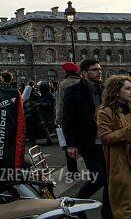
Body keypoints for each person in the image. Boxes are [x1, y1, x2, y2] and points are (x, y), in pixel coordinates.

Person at [63, 59, 112, 218]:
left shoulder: (104, 89)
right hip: (88, 141)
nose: (99, 72)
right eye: (94, 69)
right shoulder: (74, 91)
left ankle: (107, 213)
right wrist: (71, 145)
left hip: (106, 140)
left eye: (100, 69)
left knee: (110, 180)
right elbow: (68, 120)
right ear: (84, 73)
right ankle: (75, 202)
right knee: (98, 178)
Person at [96, 75, 131, 219]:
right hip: (120, 163)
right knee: (124, 206)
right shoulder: (105, 112)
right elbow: (105, 137)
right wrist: (128, 132)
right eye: (128, 89)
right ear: (116, 91)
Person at [56, 62, 81, 173]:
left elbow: (60, 103)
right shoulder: (83, 82)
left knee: (69, 145)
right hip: (83, 117)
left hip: (68, 118)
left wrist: (58, 119)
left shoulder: (64, 84)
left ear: (66, 72)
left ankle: (73, 172)